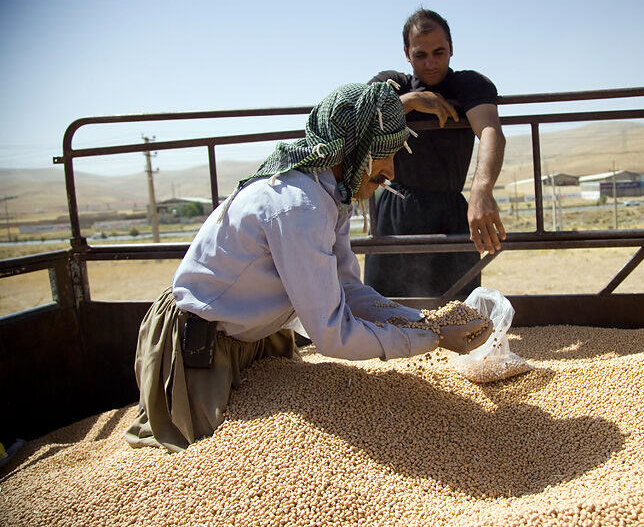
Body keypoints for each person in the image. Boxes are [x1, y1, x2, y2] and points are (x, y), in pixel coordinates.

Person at [125, 82, 492, 452]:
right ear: (353, 150)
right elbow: (334, 334)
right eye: (384, 154)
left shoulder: (334, 194)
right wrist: (434, 339)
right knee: (198, 452)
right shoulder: (299, 207)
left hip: (255, 339)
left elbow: (348, 290)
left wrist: (425, 323)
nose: (391, 172)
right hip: (200, 345)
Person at [364, 8, 506, 299]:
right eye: (420, 55)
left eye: (439, 52)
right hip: (395, 209)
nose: (430, 63)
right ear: (406, 53)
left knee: (458, 309)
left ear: (451, 48)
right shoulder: (392, 85)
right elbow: (358, 117)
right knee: (385, 308)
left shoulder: (468, 85)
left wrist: (482, 190)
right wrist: (411, 101)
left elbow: (490, 130)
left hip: (451, 212)